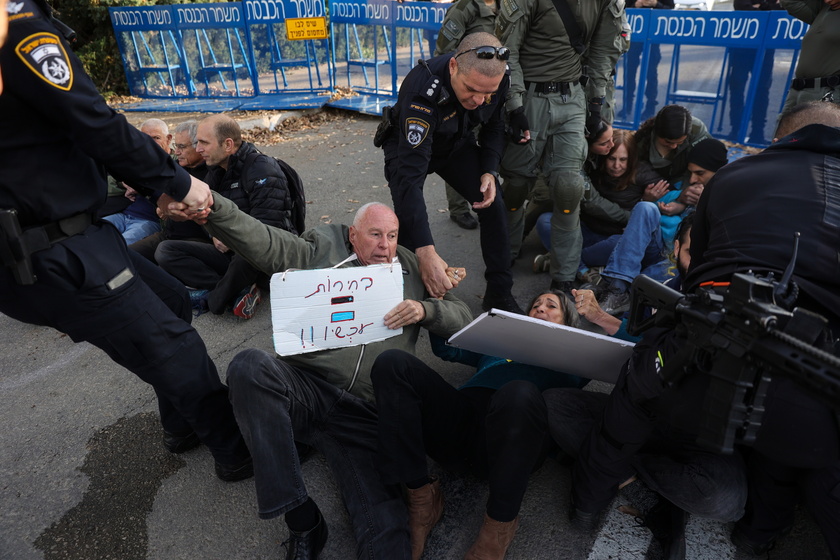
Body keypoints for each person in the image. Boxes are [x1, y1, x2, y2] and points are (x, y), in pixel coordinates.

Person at [0, 0, 251, 481]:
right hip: (58, 248)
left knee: (172, 298)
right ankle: (237, 451)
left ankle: (182, 425)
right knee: (176, 348)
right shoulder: (18, 25)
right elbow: (95, 123)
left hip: (70, 238)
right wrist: (180, 183)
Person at [170, 195, 473, 559]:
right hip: (306, 390)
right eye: (375, 235)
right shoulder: (320, 250)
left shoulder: (408, 267)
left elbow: (464, 317)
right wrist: (211, 208)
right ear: (352, 235)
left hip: (365, 413)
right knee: (248, 366)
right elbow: (261, 240)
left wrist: (425, 309)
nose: (385, 246)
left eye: (392, 236)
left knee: (387, 531)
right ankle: (302, 519)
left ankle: (299, 444)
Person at [546, 212, 748, 560]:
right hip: (638, 415)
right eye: (690, 253)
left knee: (724, 499)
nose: (699, 265)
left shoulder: (743, 305)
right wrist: (597, 316)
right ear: (675, 249)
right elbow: (634, 340)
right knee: (555, 406)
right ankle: (646, 482)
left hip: (698, 435)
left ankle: (627, 472)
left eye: (709, 256)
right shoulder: (665, 291)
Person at [687, 100, 840, 558]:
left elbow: (698, 270)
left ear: (779, 139)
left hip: (720, 351)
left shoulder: (733, 176)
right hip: (819, 377)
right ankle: (763, 526)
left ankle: (760, 526)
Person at [371, 289, 587, 559]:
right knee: (393, 363)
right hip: (460, 428)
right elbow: (447, 347)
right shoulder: (503, 342)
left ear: (568, 323)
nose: (540, 308)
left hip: (511, 443)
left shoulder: (575, 360)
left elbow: (623, 361)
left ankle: (498, 527)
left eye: (552, 306)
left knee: (518, 391)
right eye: (535, 305)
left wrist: (601, 318)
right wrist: (437, 295)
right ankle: (422, 498)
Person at [381, 32, 521, 313]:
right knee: (410, 222)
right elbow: (409, 180)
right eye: (471, 90)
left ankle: (500, 292)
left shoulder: (497, 78)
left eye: (488, 94)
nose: (480, 100)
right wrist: (426, 250)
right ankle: (412, 295)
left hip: (456, 143)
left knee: (493, 202)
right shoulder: (423, 87)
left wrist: (489, 170)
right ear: (454, 67)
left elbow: (494, 127)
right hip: (410, 148)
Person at [495, 0, 626, 294]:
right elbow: (507, 51)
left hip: (573, 98)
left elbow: (604, 50)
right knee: (516, 186)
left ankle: (564, 275)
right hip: (529, 97)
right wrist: (514, 105)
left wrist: (596, 103)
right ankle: (504, 255)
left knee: (569, 188)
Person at [156, 114, 300, 319]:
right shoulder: (216, 170)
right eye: (197, 143)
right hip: (233, 251)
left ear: (228, 145)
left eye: (204, 143)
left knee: (246, 253)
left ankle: (214, 298)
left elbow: (269, 233)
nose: (198, 149)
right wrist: (214, 234)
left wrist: (232, 240)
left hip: (266, 256)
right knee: (166, 251)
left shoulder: (262, 169)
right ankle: (239, 290)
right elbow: (209, 217)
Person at [594, 138, 727, 315]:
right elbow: (655, 206)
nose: (694, 179)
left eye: (700, 173)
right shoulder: (686, 186)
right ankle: (617, 288)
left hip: (676, 262)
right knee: (645, 208)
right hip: (656, 247)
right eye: (691, 173)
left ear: (718, 171)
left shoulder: (728, 197)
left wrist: (704, 203)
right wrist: (680, 201)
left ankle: (616, 285)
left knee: (641, 285)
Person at [434, 0, 500, 231]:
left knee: (490, 144)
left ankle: (485, 198)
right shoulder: (464, 8)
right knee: (459, 147)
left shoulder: (507, 7)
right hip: (465, 92)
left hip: (492, 92)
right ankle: (459, 208)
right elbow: (443, 52)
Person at [130, 119, 213, 265]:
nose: (177, 152)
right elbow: (159, 193)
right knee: (127, 255)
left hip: (196, 238)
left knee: (164, 252)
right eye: (176, 146)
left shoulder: (212, 173)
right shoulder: (176, 167)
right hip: (168, 234)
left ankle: (210, 286)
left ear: (198, 147)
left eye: (182, 147)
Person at [102, 119, 172, 245]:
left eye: (156, 137)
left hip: (148, 221)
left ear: (168, 139)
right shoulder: (136, 160)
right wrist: (124, 182)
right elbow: (109, 180)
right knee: (89, 234)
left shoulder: (176, 164)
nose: (150, 142)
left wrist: (142, 186)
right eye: (145, 138)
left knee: (119, 246)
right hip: (123, 215)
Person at [725, 0, 782, 145]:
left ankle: (757, 133)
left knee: (762, 90)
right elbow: (741, 7)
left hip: (765, 48)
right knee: (737, 88)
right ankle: (736, 130)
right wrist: (766, 7)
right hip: (742, 46)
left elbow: (779, 10)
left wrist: (760, 6)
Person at [779, 0, 840, 114]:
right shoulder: (822, 9)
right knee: (783, 131)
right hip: (797, 92)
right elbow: (790, 2)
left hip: (828, 94)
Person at [621, 0, 674, 122]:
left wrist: (655, 4)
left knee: (651, 73)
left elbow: (670, 10)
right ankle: (627, 104)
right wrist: (635, 5)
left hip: (653, 36)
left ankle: (650, 108)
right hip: (634, 35)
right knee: (629, 71)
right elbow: (619, 8)